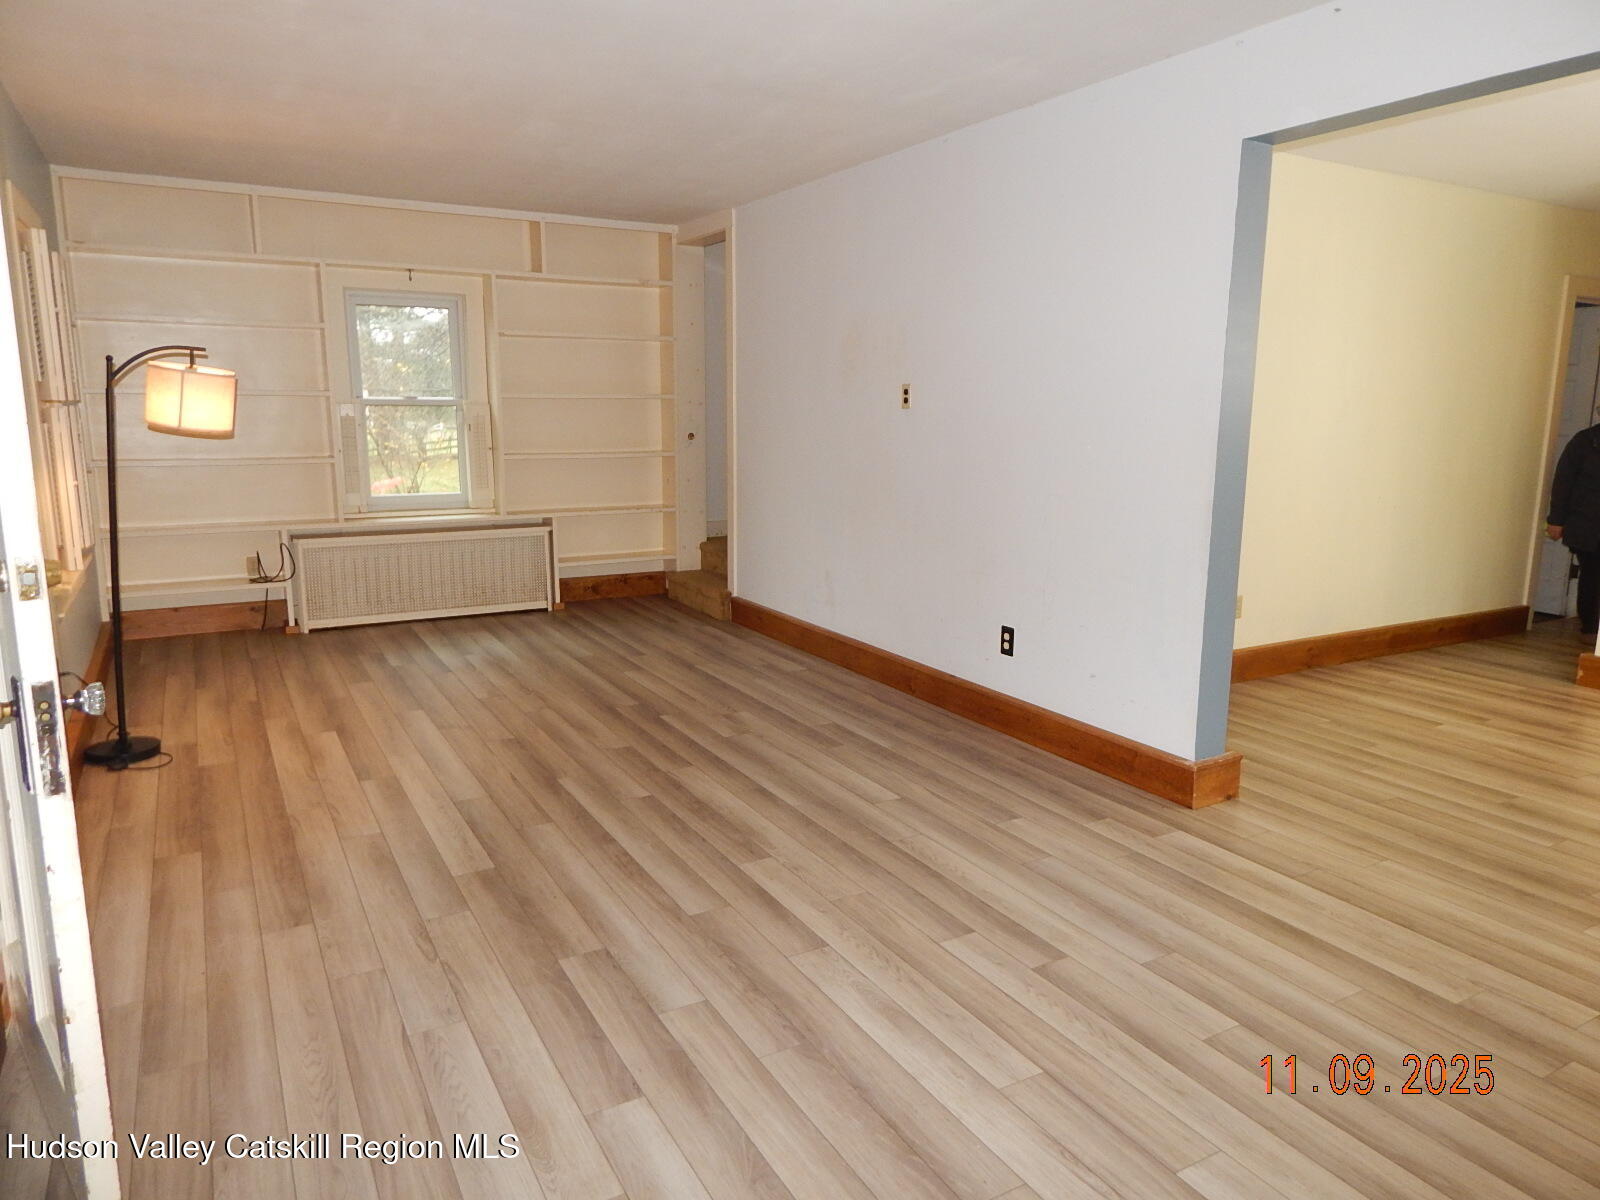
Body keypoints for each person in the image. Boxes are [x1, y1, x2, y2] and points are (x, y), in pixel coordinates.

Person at [1547, 421, 1600, 637]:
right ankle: (1590, 626)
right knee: (1591, 574)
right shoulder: (1584, 441)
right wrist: (1556, 520)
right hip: (1587, 524)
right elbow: (1563, 482)